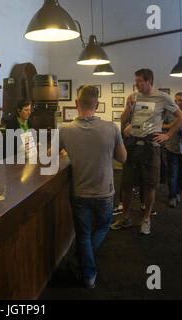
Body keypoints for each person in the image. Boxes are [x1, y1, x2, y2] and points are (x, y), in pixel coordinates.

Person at [59, 86, 127, 288]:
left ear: (77, 104)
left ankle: (88, 274)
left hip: (79, 191)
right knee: (103, 226)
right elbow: (123, 158)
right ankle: (83, 258)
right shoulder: (112, 128)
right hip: (105, 191)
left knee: (83, 234)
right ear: (97, 105)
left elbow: (49, 156)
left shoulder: (64, 129)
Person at [110, 68, 182, 235]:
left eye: (139, 81)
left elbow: (181, 117)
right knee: (126, 184)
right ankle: (125, 217)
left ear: (149, 81)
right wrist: (128, 107)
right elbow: (123, 121)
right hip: (132, 146)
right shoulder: (134, 97)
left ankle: (146, 219)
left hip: (151, 148)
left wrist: (167, 134)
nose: (136, 84)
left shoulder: (162, 98)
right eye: (135, 81)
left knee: (150, 185)